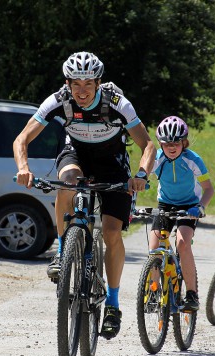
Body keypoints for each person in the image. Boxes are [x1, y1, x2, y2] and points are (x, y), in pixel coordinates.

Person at [13, 51, 155, 339]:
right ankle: (64, 250)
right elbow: (22, 138)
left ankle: (113, 304)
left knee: (112, 233)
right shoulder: (58, 100)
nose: (81, 90)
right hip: (75, 153)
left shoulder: (117, 103)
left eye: (87, 84)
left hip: (112, 163)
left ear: (98, 83)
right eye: (75, 84)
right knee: (67, 182)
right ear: (67, 82)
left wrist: (140, 176)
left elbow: (148, 145)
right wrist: (23, 167)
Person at [148, 116, 214, 311]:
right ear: (161, 143)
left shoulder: (193, 160)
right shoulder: (157, 159)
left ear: (184, 142)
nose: (172, 147)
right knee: (154, 247)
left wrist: (201, 207)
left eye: (176, 142)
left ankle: (191, 294)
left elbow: (209, 189)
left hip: (189, 206)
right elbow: (139, 181)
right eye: (167, 143)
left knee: (183, 244)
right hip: (165, 204)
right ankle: (153, 290)